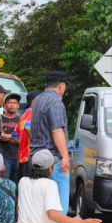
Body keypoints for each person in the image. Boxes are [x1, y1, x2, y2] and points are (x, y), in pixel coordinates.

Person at [15, 149, 103, 223]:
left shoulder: (23, 181)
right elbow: (53, 215)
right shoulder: (49, 184)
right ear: (51, 169)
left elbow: (19, 209)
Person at [29, 72, 71, 212]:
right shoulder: (55, 102)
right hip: (52, 160)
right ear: (61, 86)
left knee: (40, 204)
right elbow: (57, 131)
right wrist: (65, 157)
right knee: (58, 204)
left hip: (35, 158)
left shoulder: (37, 100)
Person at [17, 90, 40, 179]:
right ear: (33, 101)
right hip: (30, 156)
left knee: (23, 183)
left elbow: (15, 135)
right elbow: (28, 128)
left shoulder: (23, 114)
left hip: (23, 156)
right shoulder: (32, 112)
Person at [0, 94, 22, 183]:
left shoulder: (21, 119)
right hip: (4, 157)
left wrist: (9, 136)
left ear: (18, 105)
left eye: (15, 103)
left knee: (16, 184)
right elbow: (0, 136)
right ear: (4, 105)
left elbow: (22, 139)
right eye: (9, 102)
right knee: (4, 183)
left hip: (18, 157)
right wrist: (15, 136)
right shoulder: (0, 118)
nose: (12, 105)